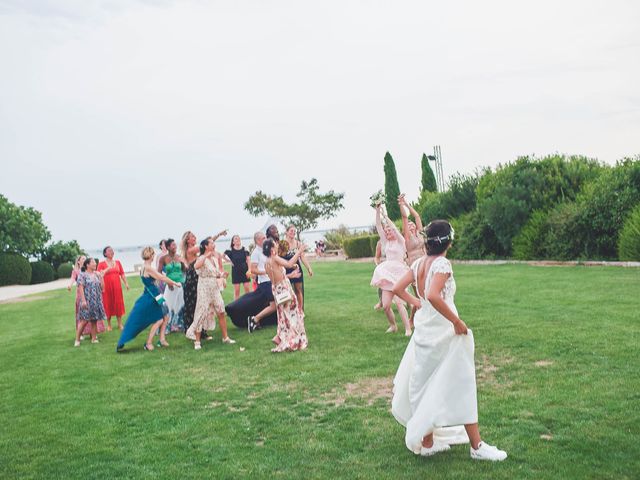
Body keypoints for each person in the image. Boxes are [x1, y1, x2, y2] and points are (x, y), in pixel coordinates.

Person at [391, 220, 507, 461]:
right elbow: (433, 295)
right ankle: (476, 446)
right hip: (444, 332)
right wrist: (455, 321)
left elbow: (397, 288)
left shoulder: (418, 263)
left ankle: (428, 442)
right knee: (462, 381)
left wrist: (416, 304)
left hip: (425, 332)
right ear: (448, 242)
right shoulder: (442, 264)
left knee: (425, 382)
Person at [116, 247, 181, 352]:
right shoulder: (147, 268)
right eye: (153, 255)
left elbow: (154, 279)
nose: (154, 256)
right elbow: (161, 278)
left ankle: (162, 339)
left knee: (166, 316)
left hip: (154, 294)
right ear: (151, 256)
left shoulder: (145, 267)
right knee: (159, 319)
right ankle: (148, 343)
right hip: (153, 296)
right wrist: (175, 283)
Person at [186, 237, 235, 350]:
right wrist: (205, 256)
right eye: (211, 243)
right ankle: (197, 342)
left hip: (214, 288)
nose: (214, 244)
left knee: (221, 310)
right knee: (201, 312)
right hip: (204, 288)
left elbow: (215, 273)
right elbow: (196, 266)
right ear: (206, 246)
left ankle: (225, 337)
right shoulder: (202, 257)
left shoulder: (214, 257)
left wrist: (222, 275)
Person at [248, 227, 300, 332]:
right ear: (258, 240)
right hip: (265, 282)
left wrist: (288, 272)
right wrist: (267, 271)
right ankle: (255, 319)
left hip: (273, 281)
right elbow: (253, 270)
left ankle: (284, 325)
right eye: (263, 238)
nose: (265, 239)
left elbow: (279, 268)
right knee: (277, 304)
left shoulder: (267, 252)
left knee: (279, 304)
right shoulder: (255, 253)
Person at [370, 205, 412, 336]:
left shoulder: (401, 241)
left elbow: (393, 227)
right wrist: (377, 210)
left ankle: (408, 328)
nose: (387, 232)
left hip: (399, 274)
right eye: (386, 231)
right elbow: (378, 226)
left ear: (394, 231)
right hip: (387, 273)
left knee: (399, 303)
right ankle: (393, 326)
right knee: (386, 305)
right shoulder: (385, 243)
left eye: (389, 231)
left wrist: (386, 217)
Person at [263, 239, 308, 352]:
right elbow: (288, 264)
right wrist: (299, 251)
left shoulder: (267, 262)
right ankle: (292, 339)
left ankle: (281, 337)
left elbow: (277, 277)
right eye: (275, 245)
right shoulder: (275, 258)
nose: (277, 245)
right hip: (284, 288)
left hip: (277, 289)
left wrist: (291, 275)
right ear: (272, 249)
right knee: (292, 313)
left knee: (283, 315)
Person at [181, 229, 227, 335]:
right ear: (187, 240)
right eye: (192, 236)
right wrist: (218, 235)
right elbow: (206, 245)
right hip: (193, 279)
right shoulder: (190, 250)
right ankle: (195, 332)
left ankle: (201, 331)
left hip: (198, 277)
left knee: (201, 306)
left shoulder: (192, 250)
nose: (195, 237)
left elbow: (207, 244)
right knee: (198, 306)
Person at [398, 194, 426, 325]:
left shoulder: (420, 234)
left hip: (425, 263)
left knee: (426, 292)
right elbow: (405, 217)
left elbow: (417, 216)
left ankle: (415, 319)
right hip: (414, 265)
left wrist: (407, 203)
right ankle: (411, 319)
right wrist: (401, 205)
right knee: (419, 295)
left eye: (412, 224)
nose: (411, 225)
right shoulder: (407, 237)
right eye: (408, 225)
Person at [69, 255, 106, 340]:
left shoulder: (97, 274)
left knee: (94, 320)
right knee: (84, 321)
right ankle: (77, 339)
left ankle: (93, 339)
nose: (95, 264)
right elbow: (80, 287)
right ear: (87, 265)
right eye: (93, 262)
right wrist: (83, 301)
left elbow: (102, 288)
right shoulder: (83, 275)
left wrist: (101, 277)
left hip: (96, 300)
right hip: (86, 300)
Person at [97, 246, 129, 331]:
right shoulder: (101, 264)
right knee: (108, 304)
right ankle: (109, 325)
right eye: (109, 251)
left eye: (112, 250)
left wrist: (126, 283)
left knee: (118, 303)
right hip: (106, 288)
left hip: (117, 287)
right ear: (105, 253)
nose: (112, 252)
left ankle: (120, 324)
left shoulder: (118, 262)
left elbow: (122, 274)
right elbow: (99, 275)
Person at [158, 238, 185, 335]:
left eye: (175, 245)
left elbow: (184, 270)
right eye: (173, 245)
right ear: (168, 247)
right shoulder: (163, 258)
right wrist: (168, 282)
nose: (175, 246)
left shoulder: (179, 257)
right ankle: (166, 327)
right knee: (168, 306)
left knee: (180, 305)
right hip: (169, 286)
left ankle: (177, 325)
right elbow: (159, 273)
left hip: (180, 284)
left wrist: (183, 263)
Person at [283, 225, 313, 312]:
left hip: (297, 269)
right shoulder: (282, 243)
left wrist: (309, 268)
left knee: (298, 290)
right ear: (286, 232)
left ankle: (300, 310)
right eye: (291, 231)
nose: (293, 233)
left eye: (294, 231)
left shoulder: (298, 243)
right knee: (288, 291)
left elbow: (302, 257)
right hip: (286, 269)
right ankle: (290, 310)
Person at [224, 235, 251, 300]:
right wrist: (229, 261)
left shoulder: (245, 249)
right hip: (236, 272)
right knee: (237, 291)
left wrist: (249, 269)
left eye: (238, 238)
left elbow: (248, 260)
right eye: (236, 239)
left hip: (245, 271)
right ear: (233, 242)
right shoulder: (230, 250)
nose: (238, 239)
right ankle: (236, 307)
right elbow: (222, 256)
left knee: (247, 289)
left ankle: (249, 304)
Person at [373, 240, 384, 310]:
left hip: (396, 265)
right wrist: (379, 265)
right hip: (384, 267)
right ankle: (381, 302)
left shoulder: (396, 240)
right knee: (381, 285)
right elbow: (377, 257)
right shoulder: (380, 243)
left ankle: (408, 303)